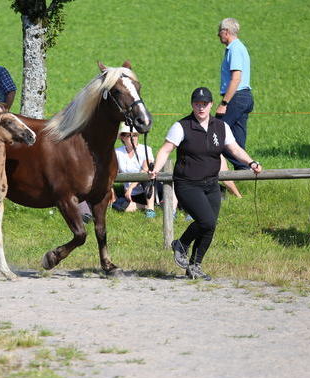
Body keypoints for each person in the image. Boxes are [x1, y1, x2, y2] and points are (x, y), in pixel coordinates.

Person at [149, 87, 262, 280]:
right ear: (192, 105)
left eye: (204, 104)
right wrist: (156, 169)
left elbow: (234, 148)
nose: (201, 107)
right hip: (188, 184)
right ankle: (181, 244)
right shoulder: (181, 126)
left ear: (210, 105)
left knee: (210, 226)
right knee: (206, 221)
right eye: (197, 104)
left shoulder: (221, 126)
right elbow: (166, 149)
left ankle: (195, 266)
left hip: (211, 184)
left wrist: (251, 162)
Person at [215, 18, 254, 171]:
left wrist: (224, 103)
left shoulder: (234, 49)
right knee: (237, 141)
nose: (218, 35)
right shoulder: (239, 47)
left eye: (219, 32)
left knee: (215, 134)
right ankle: (244, 178)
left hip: (236, 98)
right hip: (244, 97)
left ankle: (244, 167)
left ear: (226, 32)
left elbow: (236, 78)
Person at [111, 123, 157, 218]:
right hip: (130, 195)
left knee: (147, 177)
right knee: (116, 206)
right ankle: (145, 207)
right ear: (123, 138)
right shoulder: (117, 152)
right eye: (129, 136)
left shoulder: (146, 149)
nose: (133, 138)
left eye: (135, 135)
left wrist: (131, 187)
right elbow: (112, 173)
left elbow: (145, 169)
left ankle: (151, 209)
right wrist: (112, 192)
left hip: (147, 190)